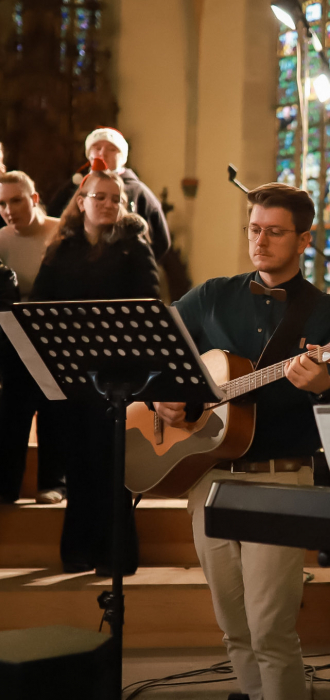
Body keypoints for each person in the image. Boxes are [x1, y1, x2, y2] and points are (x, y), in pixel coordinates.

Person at [154, 183, 330, 700]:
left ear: (304, 239)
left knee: (270, 629)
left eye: (275, 232)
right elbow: (157, 346)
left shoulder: (329, 315)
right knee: (234, 627)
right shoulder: (212, 296)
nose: (260, 241)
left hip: (280, 480)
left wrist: (323, 384)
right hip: (209, 477)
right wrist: (160, 396)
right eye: (254, 229)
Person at [31, 159, 160, 574]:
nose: (108, 204)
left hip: (118, 376)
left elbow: (149, 306)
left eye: (116, 199)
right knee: (78, 462)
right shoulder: (61, 248)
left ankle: (114, 555)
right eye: (99, 197)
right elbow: (39, 307)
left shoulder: (133, 246)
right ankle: (78, 550)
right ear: (81, 201)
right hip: (73, 374)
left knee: (110, 464)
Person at [0, 171, 66, 504]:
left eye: (16, 201)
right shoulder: (1, 239)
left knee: (53, 409)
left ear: (34, 199)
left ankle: (53, 483)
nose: (8, 210)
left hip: (56, 333)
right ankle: (6, 487)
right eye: (2, 204)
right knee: (12, 411)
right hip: (13, 335)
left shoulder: (60, 232)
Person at [48, 126, 171, 261]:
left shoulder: (138, 191)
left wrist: (139, 262)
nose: (103, 153)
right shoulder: (73, 187)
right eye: (97, 148)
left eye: (112, 149)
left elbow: (161, 240)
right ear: (89, 154)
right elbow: (53, 225)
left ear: (123, 158)